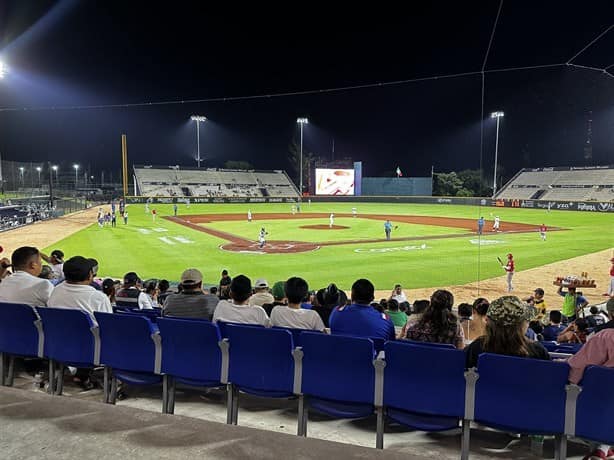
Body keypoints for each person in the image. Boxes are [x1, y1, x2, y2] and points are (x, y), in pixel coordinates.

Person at [464, 295, 550, 368]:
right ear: (521, 326)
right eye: (526, 320)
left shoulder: (476, 348)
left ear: (489, 322)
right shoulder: (538, 352)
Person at [567, 328, 614, 460]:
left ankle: (602, 447)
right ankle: (603, 447)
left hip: (597, 405)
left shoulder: (605, 336)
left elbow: (576, 369)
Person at [329, 278, 395, 341]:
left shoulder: (336, 312)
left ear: (352, 296)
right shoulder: (385, 320)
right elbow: (390, 344)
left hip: (341, 352)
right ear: (372, 298)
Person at [48, 256, 112, 318]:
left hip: (57, 328)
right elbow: (108, 324)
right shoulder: (99, 298)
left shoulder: (55, 290)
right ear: (90, 275)